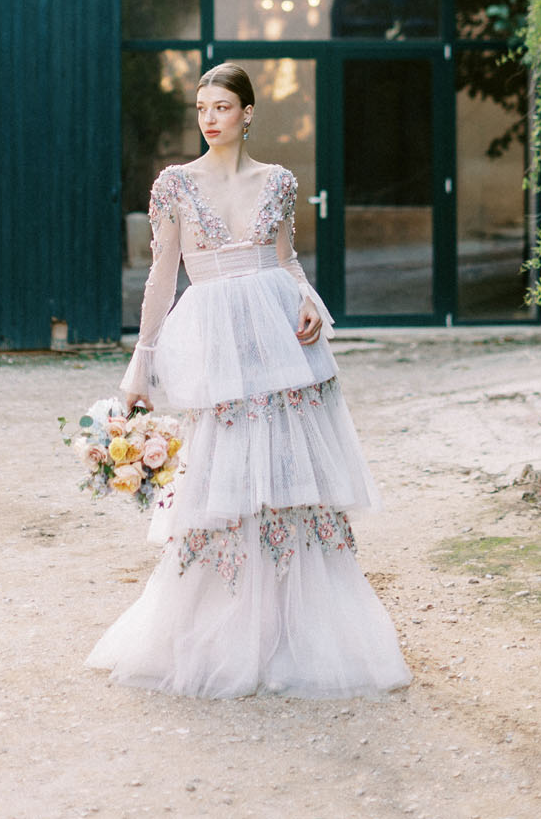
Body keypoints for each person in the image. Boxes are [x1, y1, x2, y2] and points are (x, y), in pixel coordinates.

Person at [86, 63, 411, 699]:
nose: (209, 118)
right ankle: (225, 629)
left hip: (277, 334)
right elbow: (161, 277)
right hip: (212, 340)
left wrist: (310, 298)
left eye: (222, 107)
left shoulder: (280, 182)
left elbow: (287, 260)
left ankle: (299, 630)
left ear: (248, 113)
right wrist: (141, 360)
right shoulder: (175, 185)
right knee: (224, 474)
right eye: (201, 108)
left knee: (289, 475)